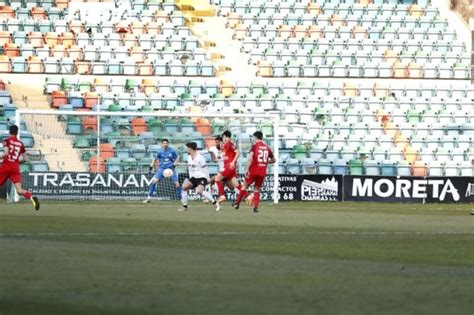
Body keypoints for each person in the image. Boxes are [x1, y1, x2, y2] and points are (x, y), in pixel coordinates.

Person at [0, 125, 40, 210]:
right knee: (19, 190)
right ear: (17, 132)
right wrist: (17, 161)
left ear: (9, 132)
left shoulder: (6, 141)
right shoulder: (20, 143)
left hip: (6, 166)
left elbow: (6, 153)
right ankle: (31, 197)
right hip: (15, 168)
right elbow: (25, 158)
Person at [234, 131, 275, 213]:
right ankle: (256, 207)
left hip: (254, 170)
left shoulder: (255, 146)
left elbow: (250, 158)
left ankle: (237, 203)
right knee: (256, 189)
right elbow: (274, 160)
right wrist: (265, 162)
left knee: (244, 185)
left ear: (255, 137)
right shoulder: (267, 147)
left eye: (253, 137)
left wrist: (247, 169)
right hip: (262, 171)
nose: (252, 139)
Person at [179, 142, 220, 212]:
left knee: (199, 191)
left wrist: (207, 179)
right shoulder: (189, 158)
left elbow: (205, 169)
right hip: (194, 177)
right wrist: (191, 178)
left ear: (191, 149)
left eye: (188, 148)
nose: (187, 150)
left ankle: (216, 203)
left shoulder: (200, 158)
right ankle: (185, 207)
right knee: (184, 187)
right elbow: (190, 169)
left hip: (201, 176)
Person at [143, 139, 181, 203]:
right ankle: (148, 198)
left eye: (166, 143)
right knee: (154, 181)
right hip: (162, 168)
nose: (165, 144)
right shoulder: (159, 151)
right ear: (162, 144)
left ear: (168, 144)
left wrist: (174, 166)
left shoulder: (172, 151)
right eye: (164, 143)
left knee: (177, 184)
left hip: (170, 169)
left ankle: (181, 198)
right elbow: (154, 159)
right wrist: (150, 168)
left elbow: (177, 158)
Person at [213, 131, 241, 204]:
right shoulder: (226, 146)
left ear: (229, 138)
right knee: (235, 185)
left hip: (229, 167)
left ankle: (222, 196)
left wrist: (233, 162)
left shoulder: (229, 144)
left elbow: (238, 153)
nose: (224, 138)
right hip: (229, 167)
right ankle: (249, 196)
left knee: (216, 179)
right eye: (224, 137)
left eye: (226, 137)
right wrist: (219, 157)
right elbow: (226, 157)